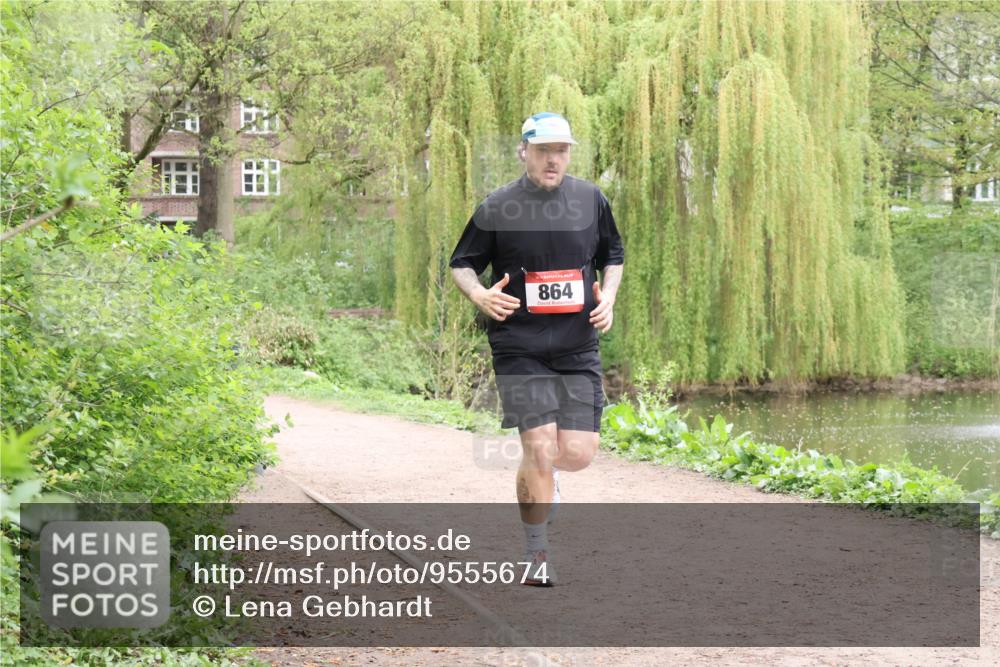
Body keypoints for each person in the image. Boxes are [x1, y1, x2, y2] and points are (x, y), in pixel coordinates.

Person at [449, 112, 624, 586]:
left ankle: (548, 479)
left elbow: (613, 256)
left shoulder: (591, 200)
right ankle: (536, 553)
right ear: (523, 151)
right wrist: (479, 294)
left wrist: (607, 297)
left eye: (562, 149)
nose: (553, 158)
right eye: (544, 149)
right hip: (519, 346)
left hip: (577, 346)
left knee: (579, 452)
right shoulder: (497, 206)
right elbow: (462, 264)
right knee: (540, 449)